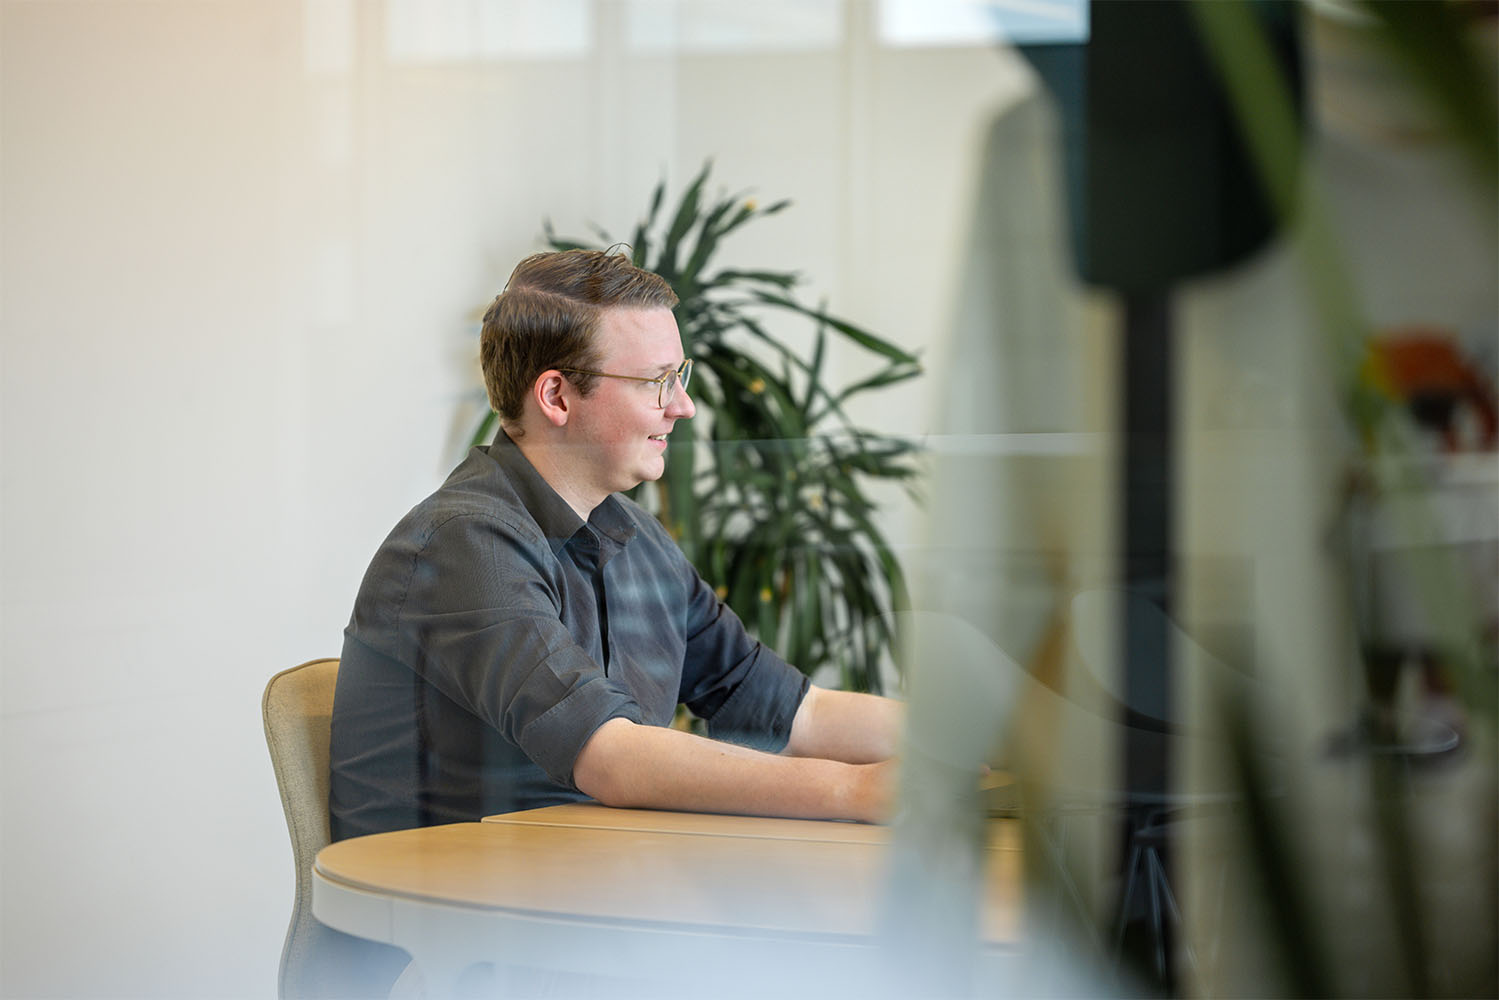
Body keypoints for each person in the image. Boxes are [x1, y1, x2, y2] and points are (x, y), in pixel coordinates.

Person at [328, 249, 901, 842]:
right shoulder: (463, 545)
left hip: (587, 892)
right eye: (656, 381)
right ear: (556, 397)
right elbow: (610, 757)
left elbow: (795, 712)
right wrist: (854, 791)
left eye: (680, 377)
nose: (683, 406)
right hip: (453, 919)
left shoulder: (635, 537)